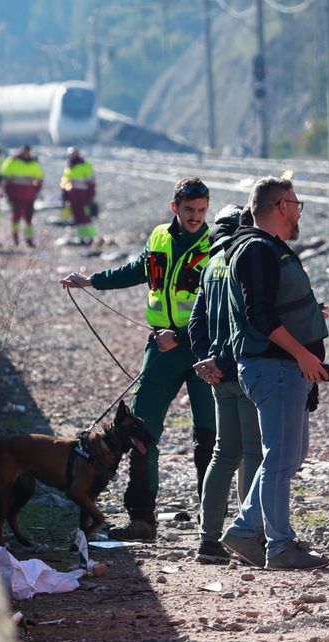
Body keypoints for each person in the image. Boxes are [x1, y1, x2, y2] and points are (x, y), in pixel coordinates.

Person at [60, 177, 217, 542]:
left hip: (202, 350)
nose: (196, 217)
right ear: (174, 207)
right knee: (140, 431)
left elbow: (222, 307)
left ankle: (210, 523)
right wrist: (91, 281)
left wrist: (179, 337)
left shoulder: (215, 245)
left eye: (202, 211)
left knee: (208, 436)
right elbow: (135, 270)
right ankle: (142, 520)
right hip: (160, 351)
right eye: (190, 210)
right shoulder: (160, 237)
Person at [220, 176, 329, 570]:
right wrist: (302, 354)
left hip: (283, 367)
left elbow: (273, 306)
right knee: (280, 458)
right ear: (282, 206)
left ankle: (244, 530)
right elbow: (260, 315)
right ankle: (280, 546)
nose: (299, 211)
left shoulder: (269, 249)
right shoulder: (256, 250)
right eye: (297, 204)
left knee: (289, 454)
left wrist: (309, 317)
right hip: (276, 367)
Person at [188, 204, 263, 564]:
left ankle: (209, 540)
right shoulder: (240, 259)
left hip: (217, 375)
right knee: (252, 454)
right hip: (241, 370)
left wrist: (206, 362)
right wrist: (224, 362)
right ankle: (248, 537)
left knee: (223, 454)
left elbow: (195, 322)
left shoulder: (211, 264)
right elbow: (245, 320)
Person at [0, 145, 43, 246]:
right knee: (16, 217)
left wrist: (35, 192)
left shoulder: (34, 164)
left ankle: (29, 239)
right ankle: (15, 237)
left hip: (29, 196)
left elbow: (39, 179)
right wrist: (6, 193)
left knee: (28, 218)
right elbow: (5, 179)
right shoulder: (11, 162)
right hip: (15, 196)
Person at [61, 147, 96, 245]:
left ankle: (90, 238)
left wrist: (90, 196)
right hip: (73, 197)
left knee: (86, 217)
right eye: (71, 154)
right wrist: (65, 197)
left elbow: (91, 183)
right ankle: (81, 237)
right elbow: (65, 183)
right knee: (77, 217)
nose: (73, 156)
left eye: (75, 153)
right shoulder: (68, 168)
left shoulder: (85, 166)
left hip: (84, 197)